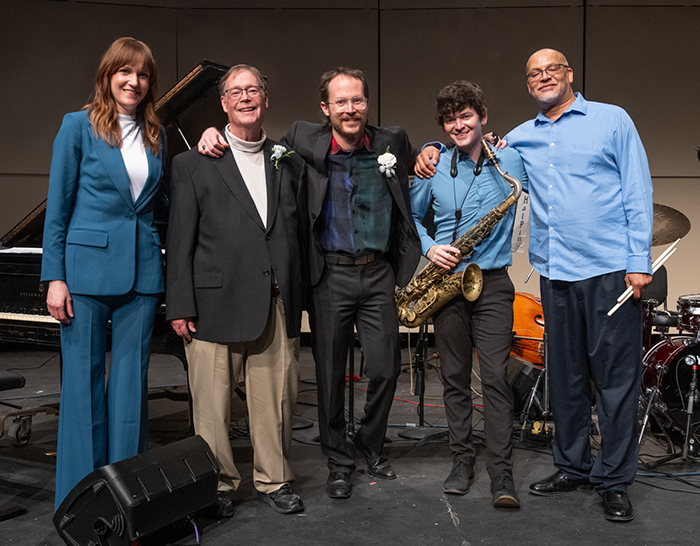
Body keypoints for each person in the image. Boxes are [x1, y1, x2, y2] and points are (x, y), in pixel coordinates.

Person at [416, 49, 653, 522]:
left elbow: (637, 187)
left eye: (552, 69)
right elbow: (472, 151)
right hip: (556, 271)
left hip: (609, 269)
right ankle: (571, 465)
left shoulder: (612, 120)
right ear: (528, 85)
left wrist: (638, 261)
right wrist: (429, 150)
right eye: (534, 74)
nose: (544, 77)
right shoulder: (520, 139)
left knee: (613, 380)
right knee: (564, 377)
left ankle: (614, 479)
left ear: (569, 74)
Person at [198, 67, 421, 499]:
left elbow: (425, 157)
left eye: (357, 100)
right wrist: (212, 131)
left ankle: (370, 444)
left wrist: (430, 149)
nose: (350, 109)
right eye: (341, 102)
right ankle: (338, 460)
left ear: (367, 104)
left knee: (386, 368)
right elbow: (252, 144)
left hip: (378, 274)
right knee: (330, 375)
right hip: (329, 275)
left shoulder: (392, 141)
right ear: (326, 108)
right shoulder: (302, 139)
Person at [166, 64, 306, 517]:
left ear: (265, 100)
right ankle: (219, 485)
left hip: (274, 303)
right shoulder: (192, 163)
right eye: (235, 92)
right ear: (223, 103)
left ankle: (274, 479)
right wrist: (180, 304)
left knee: (276, 403)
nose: (245, 98)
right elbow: (180, 238)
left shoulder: (288, 160)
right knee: (212, 410)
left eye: (253, 90)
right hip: (211, 305)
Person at [41, 37, 166, 509]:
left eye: (143, 74)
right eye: (125, 72)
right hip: (85, 273)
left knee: (131, 390)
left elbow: (154, 207)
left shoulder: (157, 132)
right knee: (82, 387)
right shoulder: (77, 127)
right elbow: (59, 208)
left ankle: (127, 498)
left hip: (141, 276)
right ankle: (79, 500)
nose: (134, 82)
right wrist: (55, 276)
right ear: (108, 75)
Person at [410, 81, 527, 508]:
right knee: (454, 378)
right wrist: (428, 246)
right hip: (447, 283)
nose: (458, 125)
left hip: (493, 281)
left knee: (495, 378)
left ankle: (502, 473)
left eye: (466, 116)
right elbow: (411, 217)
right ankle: (461, 459)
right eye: (450, 119)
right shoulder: (433, 163)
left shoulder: (511, 159)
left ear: (482, 117)